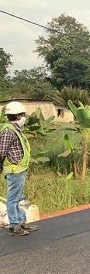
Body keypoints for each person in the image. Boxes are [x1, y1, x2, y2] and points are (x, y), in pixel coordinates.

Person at [0, 101, 37, 236]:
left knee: (19, 198)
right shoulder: (8, 131)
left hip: (20, 169)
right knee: (13, 199)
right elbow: (1, 151)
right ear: (17, 116)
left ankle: (21, 222)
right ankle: (14, 225)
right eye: (22, 115)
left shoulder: (16, 129)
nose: (24, 117)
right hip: (14, 170)